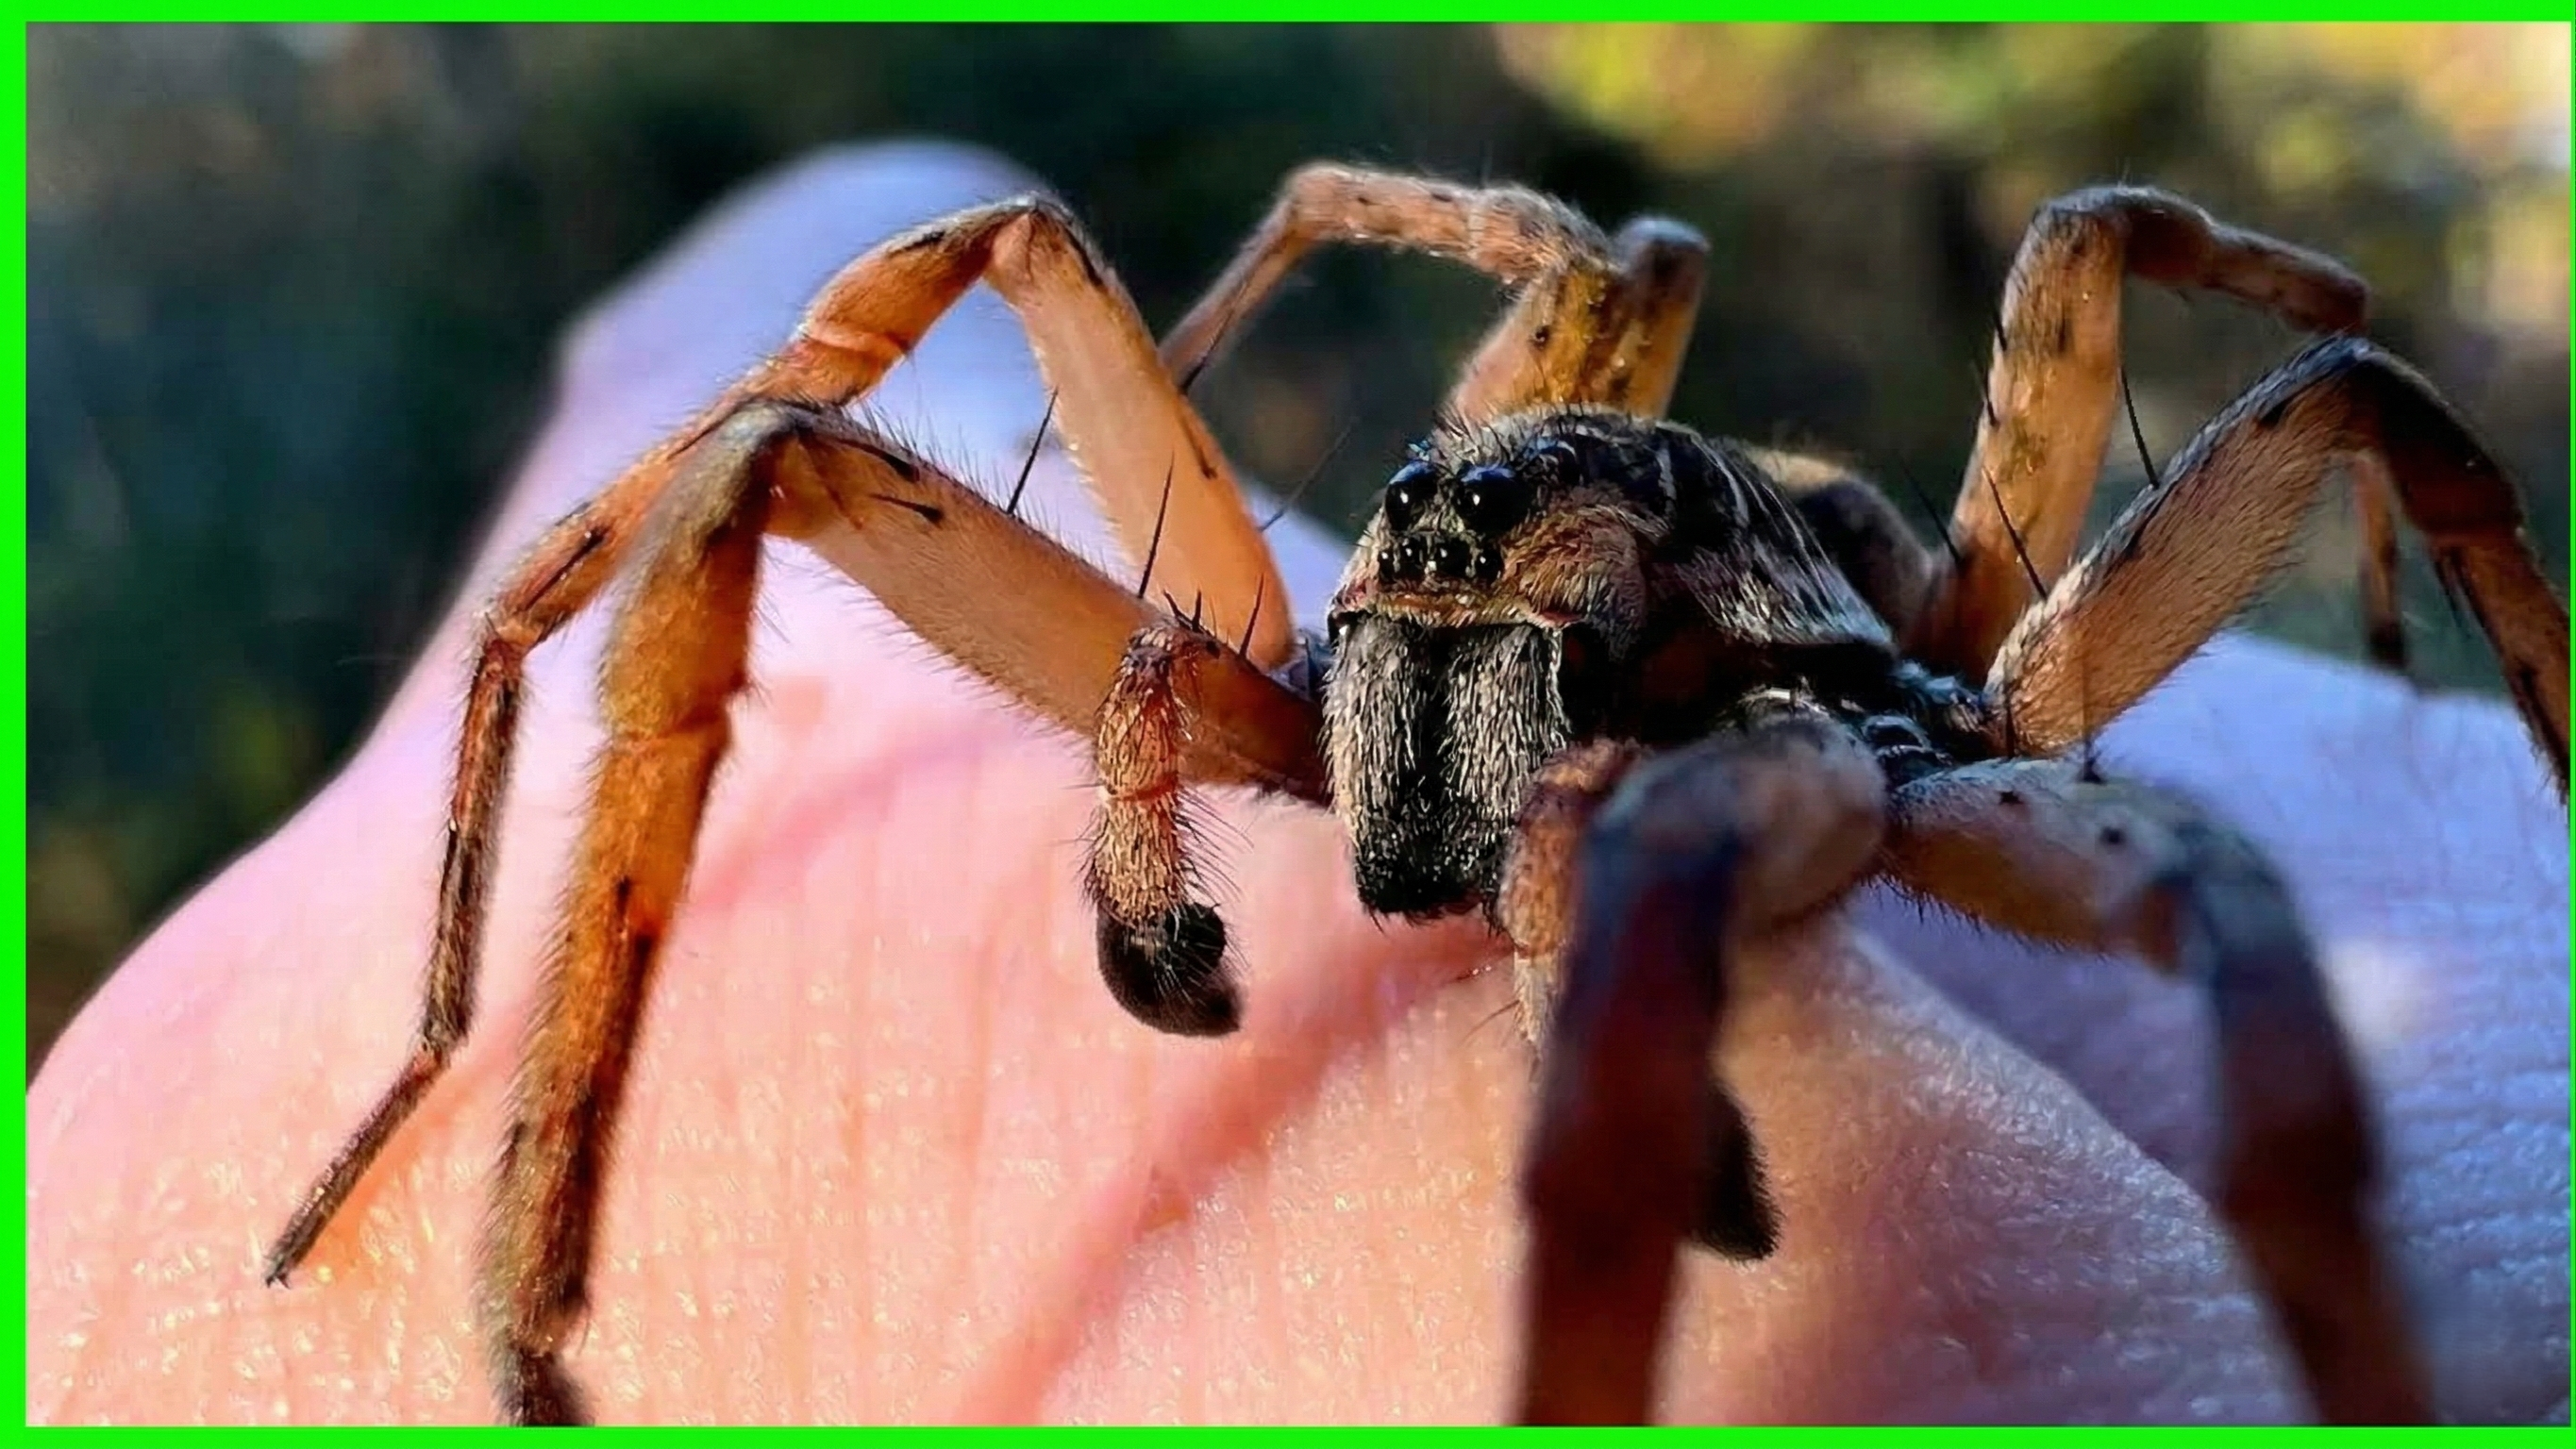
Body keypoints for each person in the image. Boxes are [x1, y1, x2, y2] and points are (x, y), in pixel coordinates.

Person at [25, 141, 2569, 1425]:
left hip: (1871, 664)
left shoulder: (1870, 706)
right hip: (1496, 570)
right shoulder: (1313, 613)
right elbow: (842, 403)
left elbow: (2330, 396)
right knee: (787, 441)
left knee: (2208, 492)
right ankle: (526, 1296)